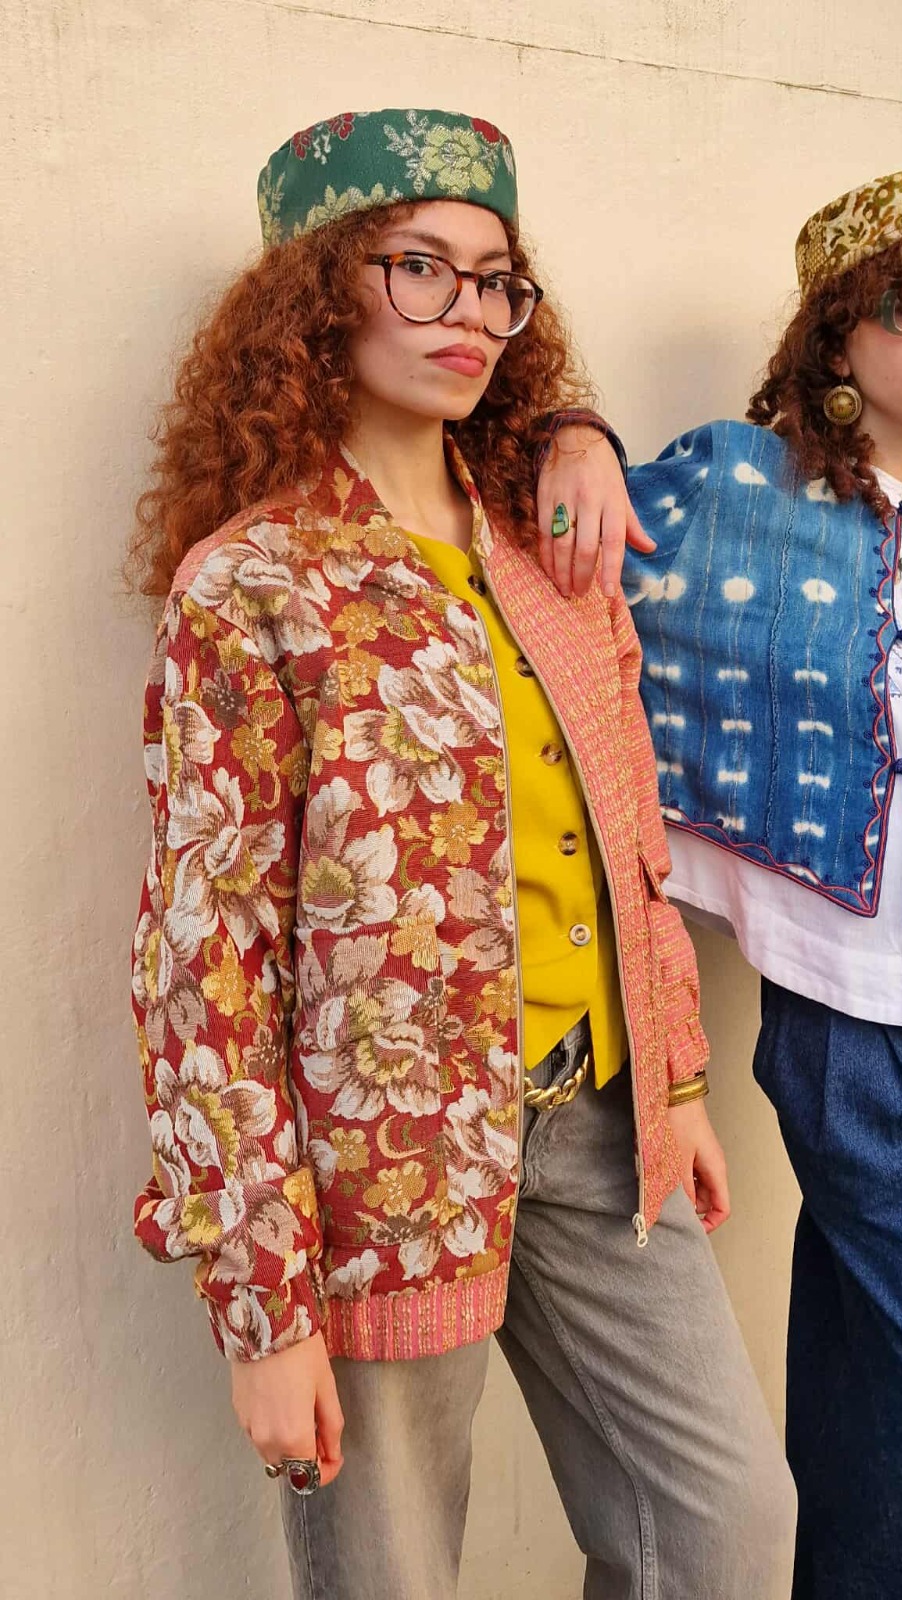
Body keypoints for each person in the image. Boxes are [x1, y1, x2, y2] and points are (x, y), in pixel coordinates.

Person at [128, 106, 794, 1600]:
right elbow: (206, 964)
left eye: (495, 281)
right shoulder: (253, 585)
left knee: (727, 1529)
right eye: (419, 267)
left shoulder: (550, 549)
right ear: (318, 292)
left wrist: (678, 1079)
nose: (471, 313)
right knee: (393, 1577)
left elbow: (628, 835)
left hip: (600, 1121)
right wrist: (265, 1307)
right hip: (381, 1172)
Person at [534, 165, 902, 1599]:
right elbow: (523, 527)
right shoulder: (733, 487)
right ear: (836, 332)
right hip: (862, 1031)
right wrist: (570, 429)